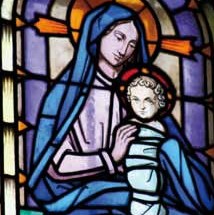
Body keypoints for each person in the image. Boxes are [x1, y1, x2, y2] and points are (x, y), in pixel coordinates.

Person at [28, 2, 214, 214]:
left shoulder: (140, 94)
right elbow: (56, 166)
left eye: (133, 44)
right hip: (83, 195)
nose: (125, 50)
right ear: (98, 34)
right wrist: (111, 156)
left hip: (136, 190)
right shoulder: (66, 95)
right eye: (119, 37)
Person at [117, 67, 177, 215]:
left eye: (148, 100)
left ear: (159, 103)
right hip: (135, 185)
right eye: (136, 100)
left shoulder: (159, 128)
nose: (141, 106)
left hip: (154, 183)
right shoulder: (128, 127)